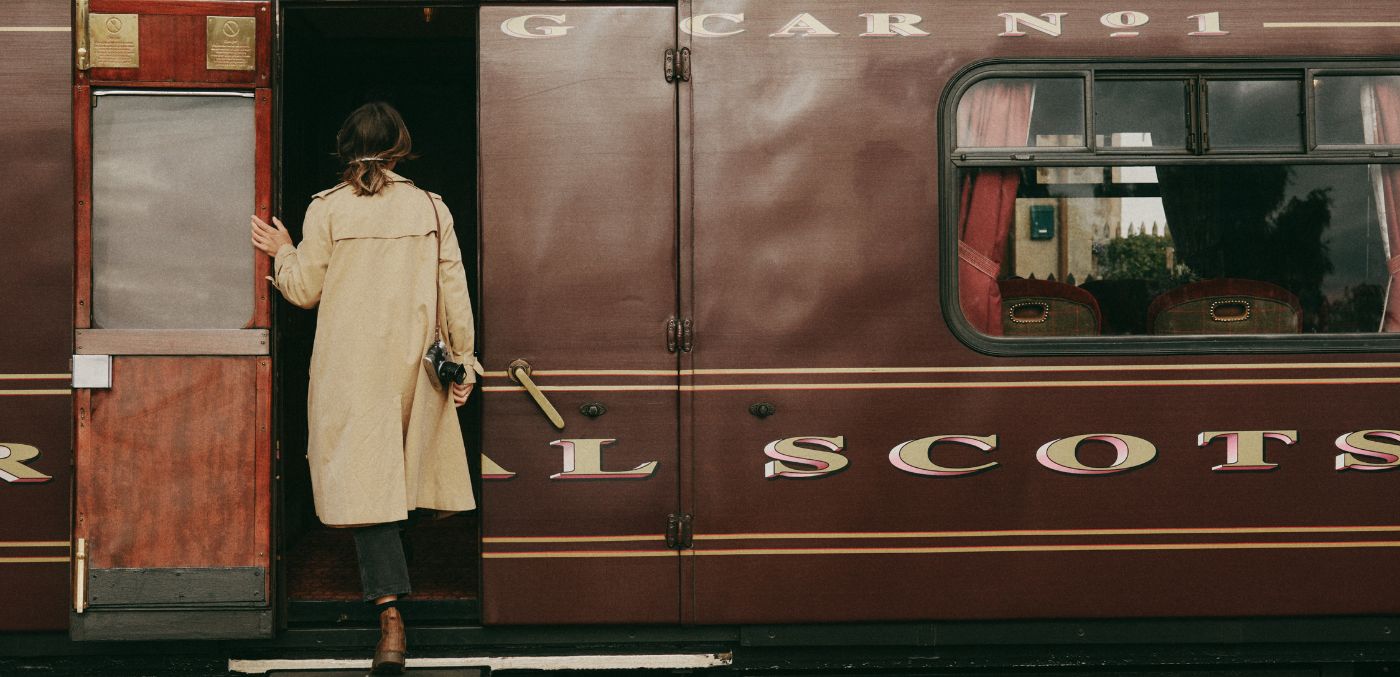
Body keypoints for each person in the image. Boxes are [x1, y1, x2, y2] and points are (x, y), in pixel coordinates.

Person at [250, 101, 477, 675]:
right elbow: (454, 290)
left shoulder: (326, 211)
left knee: (367, 480)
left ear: (344, 147)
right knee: (403, 472)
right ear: (402, 147)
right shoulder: (430, 207)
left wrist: (282, 253)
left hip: (349, 368)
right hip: (414, 365)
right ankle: (400, 598)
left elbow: (303, 291)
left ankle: (390, 616)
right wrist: (465, 362)